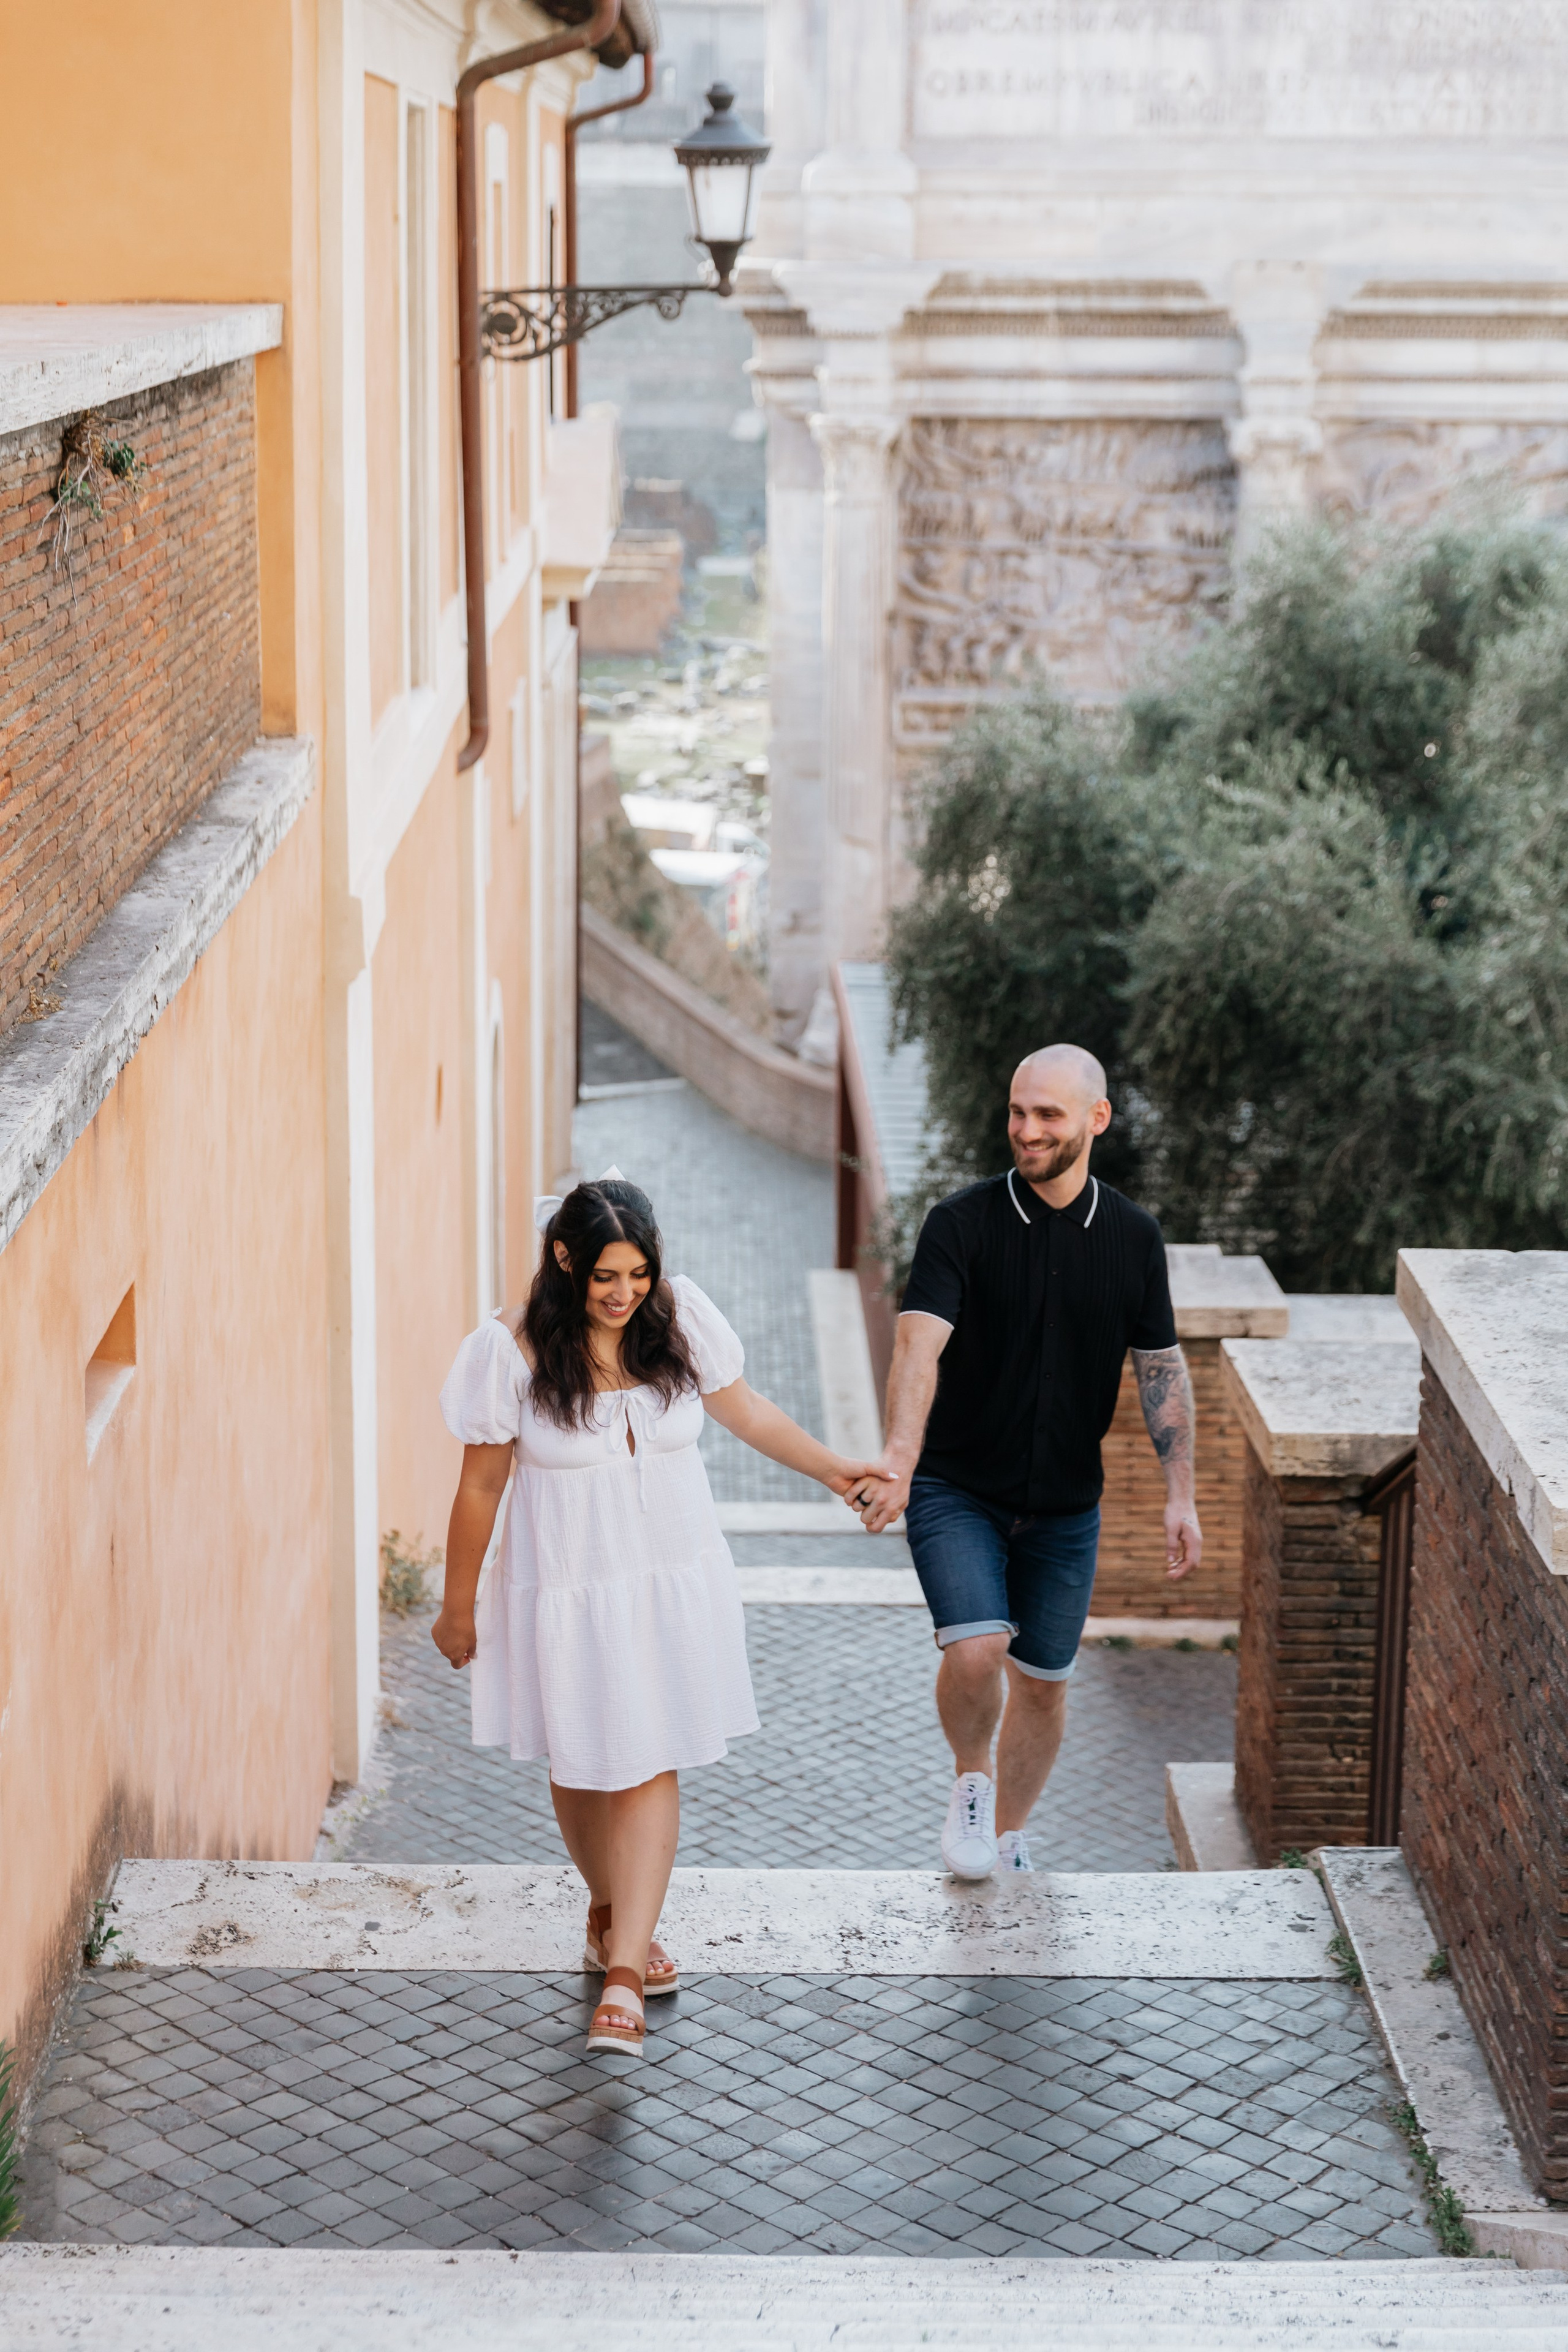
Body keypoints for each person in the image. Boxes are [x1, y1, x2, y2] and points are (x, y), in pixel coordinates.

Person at [432, 1170, 879, 2059]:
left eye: (638, 1273)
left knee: (649, 1760)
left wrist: (838, 1473)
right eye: (606, 1277)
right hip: (566, 1589)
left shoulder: (678, 1318)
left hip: (671, 1581)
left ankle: (626, 1973)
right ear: (565, 1259)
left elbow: (745, 1411)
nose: (624, 1294)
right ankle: (607, 1910)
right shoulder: (510, 1350)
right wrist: (456, 1608)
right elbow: (480, 1487)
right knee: (583, 1763)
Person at [856, 1046, 1201, 1879]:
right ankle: (971, 1782)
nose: (1027, 1129)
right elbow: (917, 1349)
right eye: (1018, 1112)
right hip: (956, 1489)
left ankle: (1008, 1834)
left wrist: (1180, 1494)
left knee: (1044, 1681)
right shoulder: (960, 1225)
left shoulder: (1131, 1238)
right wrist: (901, 1458)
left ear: (1096, 1119)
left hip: (1066, 1507)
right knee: (975, 1648)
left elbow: (1161, 1367)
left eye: (1048, 1115)